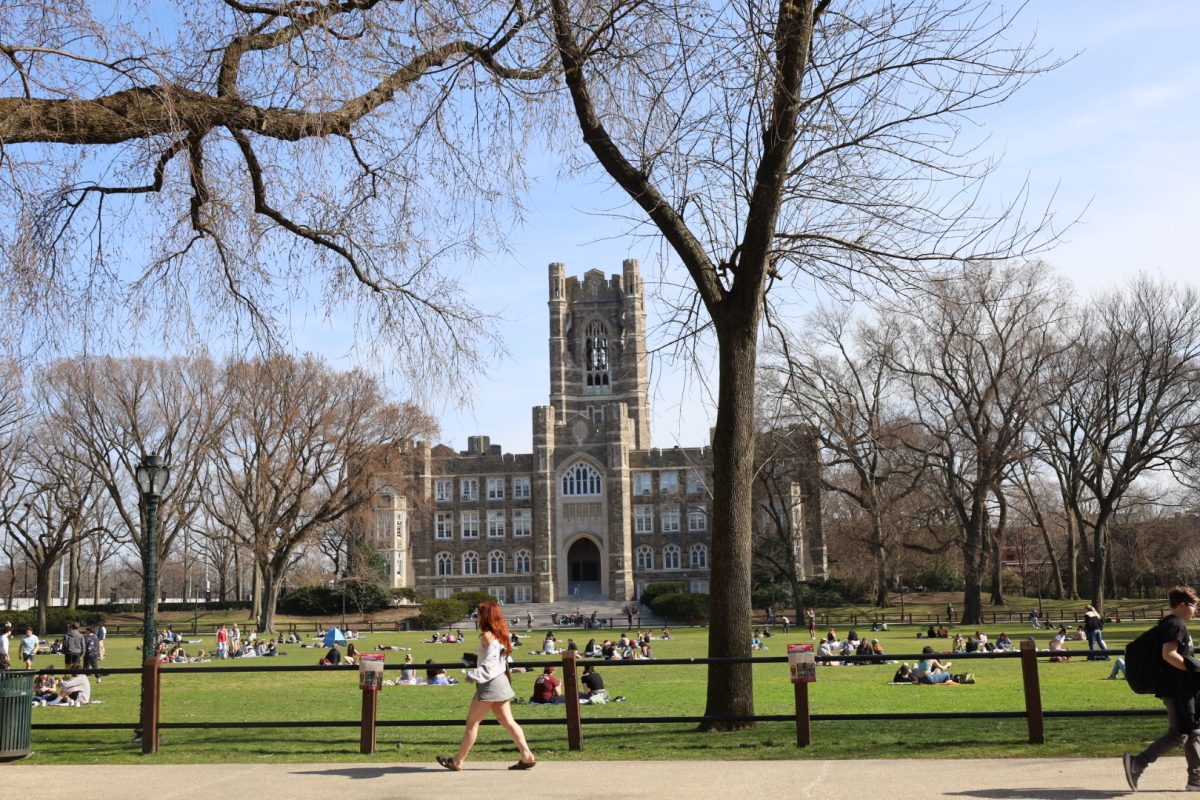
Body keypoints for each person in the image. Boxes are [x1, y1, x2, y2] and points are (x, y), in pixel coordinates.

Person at [437, 602, 535, 771]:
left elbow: (490, 662)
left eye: (479, 613)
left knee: (472, 722)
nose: (477, 616)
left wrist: (473, 675)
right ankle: (527, 756)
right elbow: (497, 660)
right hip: (500, 681)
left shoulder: (488, 635)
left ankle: (458, 761)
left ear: (486, 616)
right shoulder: (500, 634)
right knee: (507, 721)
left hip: (490, 684)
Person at [1123, 585, 1200, 792]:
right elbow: (1169, 654)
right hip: (1176, 688)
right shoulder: (1175, 624)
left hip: (1179, 687)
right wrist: (1195, 669)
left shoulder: (1171, 624)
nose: (1196, 610)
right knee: (1182, 732)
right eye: (1195, 606)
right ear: (1182, 605)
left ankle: (1196, 778)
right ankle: (1138, 763)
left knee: (1189, 730)